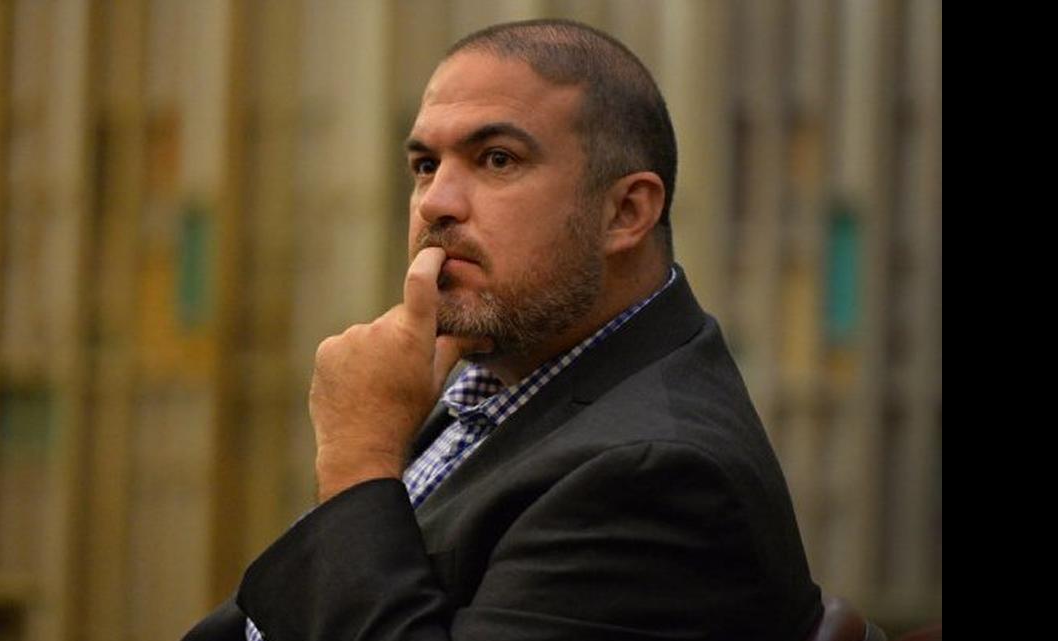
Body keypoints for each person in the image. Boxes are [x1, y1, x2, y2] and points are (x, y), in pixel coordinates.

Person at [185, 18, 822, 641]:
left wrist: (358, 460)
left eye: (496, 159)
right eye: (426, 164)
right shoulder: (499, 380)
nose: (436, 201)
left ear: (625, 212)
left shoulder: (657, 475)